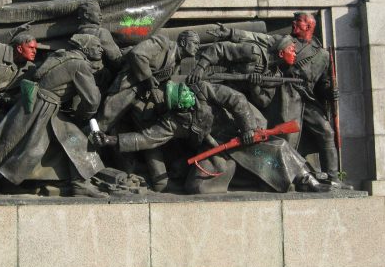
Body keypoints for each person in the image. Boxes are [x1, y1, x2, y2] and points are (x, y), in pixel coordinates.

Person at [93, 81, 330, 193]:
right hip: (220, 148)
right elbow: (146, 138)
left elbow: (236, 99)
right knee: (198, 186)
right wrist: (112, 140)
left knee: (277, 147)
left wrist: (247, 129)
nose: (190, 106)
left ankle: (306, 178)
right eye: (184, 107)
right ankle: (256, 181)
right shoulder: (174, 121)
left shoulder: (203, 89)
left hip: (243, 134)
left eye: (190, 102)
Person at [203, 13, 346, 188]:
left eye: (298, 21)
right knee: (287, 138)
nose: (294, 23)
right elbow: (257, 37)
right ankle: (291, 179)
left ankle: (333, 177)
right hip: (285, 95)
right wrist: (231, 32)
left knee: (326, 132)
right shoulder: (284, 40)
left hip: (307, 99)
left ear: (309, 26)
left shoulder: (322, 54)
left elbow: (322, 85)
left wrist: (330, 93)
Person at [0, 34, 106, 198]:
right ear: (85, 48)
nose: (100, 49)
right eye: (96, 46)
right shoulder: (80, 65)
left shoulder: (61, 56)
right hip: (42, 107)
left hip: (40, 104)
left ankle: (80, 183)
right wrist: (82, 115)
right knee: (8, 140)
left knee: (74, 139)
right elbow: (92, 99)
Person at [96, 30, 201, 132]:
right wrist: (148, 77)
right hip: (129, 85)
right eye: (195, 43)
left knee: (139, 128)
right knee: (105, 121)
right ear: (183, 42)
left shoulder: (177, 62)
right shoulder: (162, 43)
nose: (198, 47)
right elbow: (137, 54)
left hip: (143, 96)